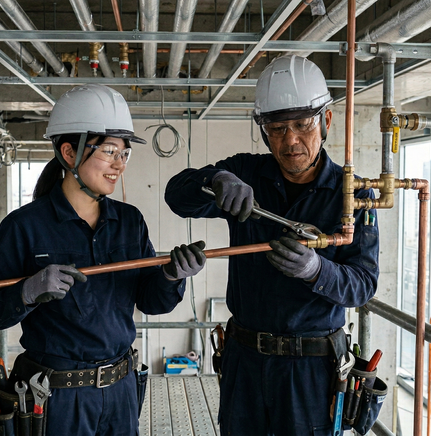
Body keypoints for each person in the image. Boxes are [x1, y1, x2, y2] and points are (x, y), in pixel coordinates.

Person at [0, 84, 207, 435]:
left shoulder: (129, 222)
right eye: (110, 151)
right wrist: (27, 292)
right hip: (56, 398)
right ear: (68, 152)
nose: (119, 164)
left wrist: (172, 276)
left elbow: (150, 302)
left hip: (121, 390)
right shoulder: (25, 226)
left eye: (125, 153)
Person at [164, 55, 380, 435]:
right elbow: (176, 196)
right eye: (277, 128)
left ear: (326, 121)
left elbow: (362, 284)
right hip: (245, 362)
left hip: (310, 372)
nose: (290, 140)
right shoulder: (247, 172)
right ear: (264, 131)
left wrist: (317, 270)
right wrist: (216, 179)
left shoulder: (353, 194)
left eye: (302, 125)